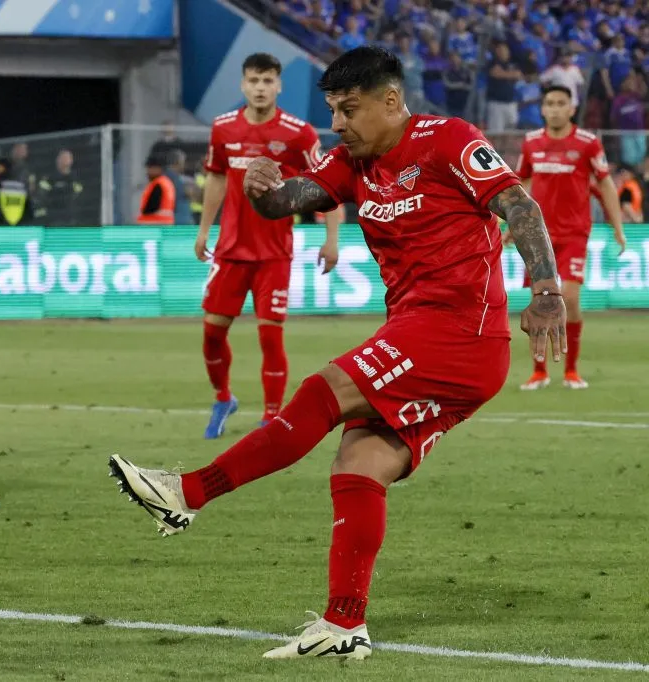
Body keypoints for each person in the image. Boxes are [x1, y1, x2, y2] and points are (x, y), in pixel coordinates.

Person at [109, 46, 566, 662]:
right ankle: (343, 624)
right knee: (359, 462)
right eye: (332, 110)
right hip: (423, 334)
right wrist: (261, 189)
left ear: (391, 101)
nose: (337, 123)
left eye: (349, 109)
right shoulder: (352, 162)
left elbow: (519, 204)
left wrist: (546, 291)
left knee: (323, 392)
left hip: (460, 332)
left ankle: (187, 492)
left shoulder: (448, 139)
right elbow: (289, 200)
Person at [196, 52, 341, 438]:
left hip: (274, 253)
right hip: (230, 250)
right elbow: (216, 178)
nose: (260, 88)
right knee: (211, 335)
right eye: (253, 81)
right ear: (243, 85)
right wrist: (204, 230)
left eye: (267, 81)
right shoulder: (223, 128)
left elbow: (327, 184)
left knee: (269, 336)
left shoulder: (298, 134)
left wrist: (331, 239)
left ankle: (271, 418)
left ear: (278, 86)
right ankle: (223, 398)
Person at [510, 85, 625, 391]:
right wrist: (513, 222)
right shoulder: (531, 142)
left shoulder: (588, 143)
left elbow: (605, 184)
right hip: (537, 234)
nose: (555, 108)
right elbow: (521, 182)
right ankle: (539, 371)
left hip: (574, 232)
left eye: (561, 103)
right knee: (540, 301)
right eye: (550, 103)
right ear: (543, 109)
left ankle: (571, 370)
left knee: (570, 298)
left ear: (572, 109)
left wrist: (617, 225)